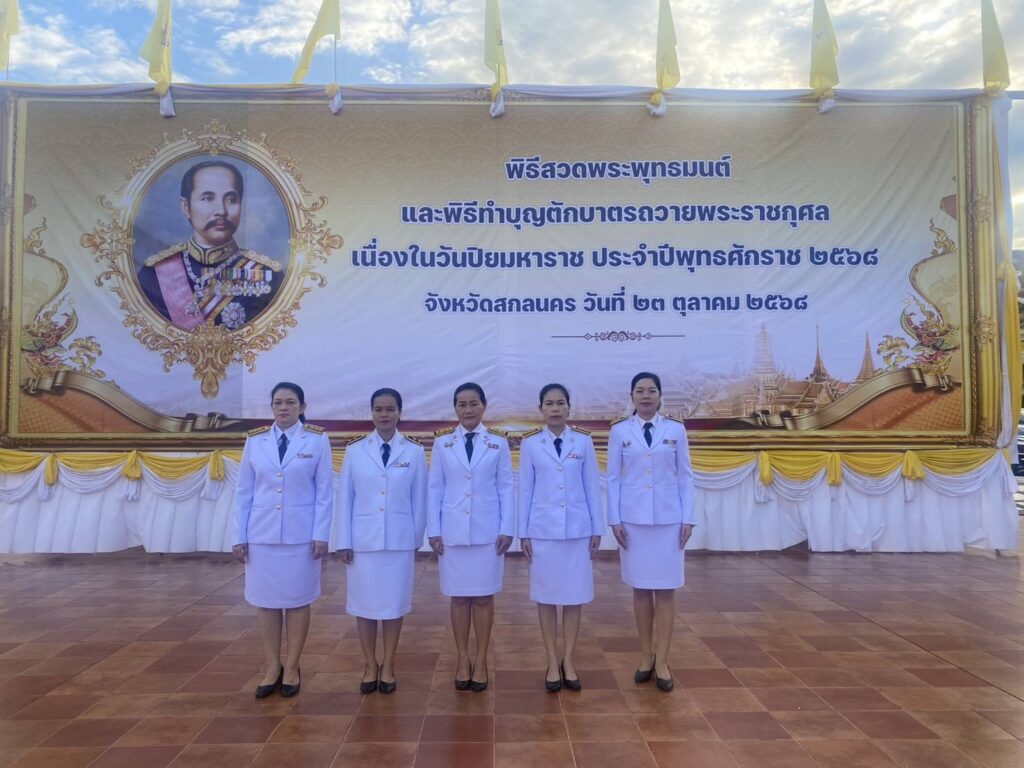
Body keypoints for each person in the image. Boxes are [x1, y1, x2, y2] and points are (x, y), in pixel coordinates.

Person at [232, 382, 332, 699]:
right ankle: (272, 666)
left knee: (298, 600)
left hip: (300, 537)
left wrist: (321, 533)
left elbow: (324, 492)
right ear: (272, 407)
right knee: (266, 602)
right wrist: (239, 536)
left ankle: (292, 665)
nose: (284, 408)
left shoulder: (316, 439)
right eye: (278, 402)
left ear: (302, 407)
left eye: (290, 402)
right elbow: (244, 492)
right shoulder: (255, 441)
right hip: (261, 535)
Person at [607, 372, 696, 692]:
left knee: (667, 590)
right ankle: (646, 656)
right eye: (640, 391)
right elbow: (613, 478)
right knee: (642, 589)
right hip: (633, 522)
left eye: (651, 391)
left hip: (669, 521)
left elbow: (685, 476)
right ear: (631, 396)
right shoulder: (620, 430)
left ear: (660, 395)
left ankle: (663, 660)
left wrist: (688, 518)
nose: (646, 396)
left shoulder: (675, 429)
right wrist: (614, 519)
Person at [337, 388, 427, 694]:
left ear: (400, 412)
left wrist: (415, 539)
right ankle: (369, 664)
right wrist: (343, 540)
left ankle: (388, 664)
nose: (384, 415)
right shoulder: (355, 450)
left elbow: (419, 499)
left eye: (390, 409)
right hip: (363, 542)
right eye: (378, 409)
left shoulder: (413, 451)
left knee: (393, 605)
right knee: (364, 606)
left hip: (399, 541)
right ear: (372, 413)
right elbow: (345, 498)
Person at [428, 383, 514, 692]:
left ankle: (481, 660)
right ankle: (462, 658)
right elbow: (435, 488)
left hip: (488, 532)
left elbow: (506, 487)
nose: (468, 409)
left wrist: (507, 527)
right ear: (455, 408)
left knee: (483, 597)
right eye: (462, 404)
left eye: (474, 403)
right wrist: (434, 529)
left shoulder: (497, 443)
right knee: (459, 597)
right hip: (452, 531)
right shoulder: (443, 443)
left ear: (484, 406)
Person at [518, 383, 603, 692]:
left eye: (560, 403)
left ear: (569, 407)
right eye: (549, 403)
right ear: (540, 408)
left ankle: (569, 660)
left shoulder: (582, 441)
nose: (555, 408)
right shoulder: (530, 443)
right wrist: (523, 532)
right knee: (545, 597)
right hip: (542, 532)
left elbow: (592, 485)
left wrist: (597, 527)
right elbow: (525, 489)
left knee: (573, 597)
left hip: (577, 531)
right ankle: (552, 661)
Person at [137, 160, 284, 331]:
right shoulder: (154, 275)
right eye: (208, 198)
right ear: (186, 206)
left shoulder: (269, 276)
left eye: (231, 199)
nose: (221, 210)